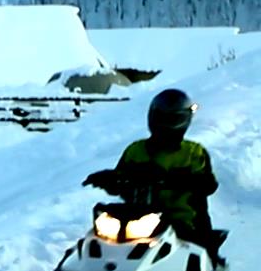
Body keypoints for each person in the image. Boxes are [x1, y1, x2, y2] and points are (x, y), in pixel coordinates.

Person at [90, 88, 221, 258]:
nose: (168, 125)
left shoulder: (193, 153)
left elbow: (207, 184)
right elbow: (120, 180)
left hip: (181, 221)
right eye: (163, 118)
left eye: (174, 119)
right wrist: (107, 180)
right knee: (95, 244)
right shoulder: (135, 150)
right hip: (138, 219)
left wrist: (175, 180)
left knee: (195, 258)